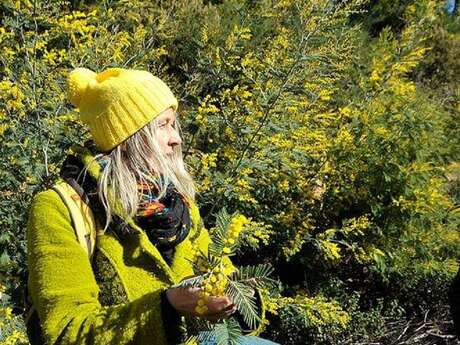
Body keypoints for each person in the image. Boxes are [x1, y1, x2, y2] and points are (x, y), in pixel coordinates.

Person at [26, 67, 277, 345]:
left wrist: (238, 295)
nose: (176, 138)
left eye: (174, 124)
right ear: (129, 137)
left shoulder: (177, 202)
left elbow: (219, 269)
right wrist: (167, 307)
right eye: (163, 125)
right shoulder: (59, 209)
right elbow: (65, 332)